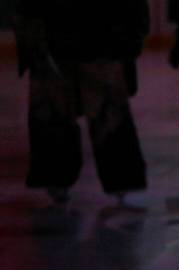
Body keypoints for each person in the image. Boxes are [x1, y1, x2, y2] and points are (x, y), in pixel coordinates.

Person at [13, 0, 149, 206]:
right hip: (93, 32)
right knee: (97, 109)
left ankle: (58, 177)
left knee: (62, 109)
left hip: (77, 32)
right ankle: (118, 178)